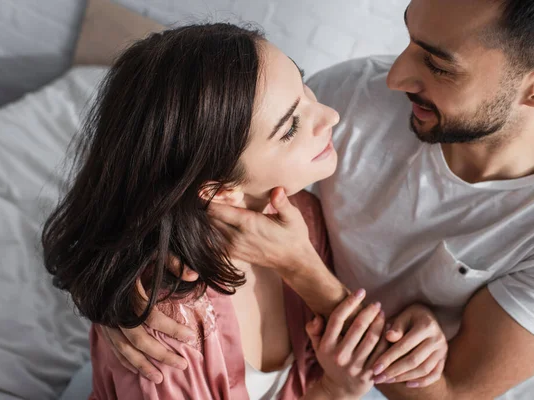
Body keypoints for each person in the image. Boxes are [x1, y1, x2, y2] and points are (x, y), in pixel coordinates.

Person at [102, 1, 534, 399]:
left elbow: (448, 392)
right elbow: (191, 150)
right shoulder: (355, 95)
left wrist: (303, 269)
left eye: (439, 64)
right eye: (409, 38)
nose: (396, 76)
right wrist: (113, 278)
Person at [44, 24, 446, 400]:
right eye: (290, 127)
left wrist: (421, 324)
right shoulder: (167, 336)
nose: (330, 116)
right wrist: (335, 391)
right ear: (220, 191)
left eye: (304, 87)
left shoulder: (302, 215)